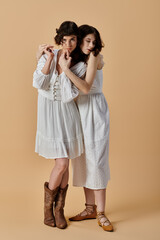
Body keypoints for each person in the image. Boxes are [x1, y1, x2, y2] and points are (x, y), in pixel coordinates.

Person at [37, 24, 113, 232]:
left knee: (96, 160)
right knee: (81, 162)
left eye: (94, 41)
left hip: (94, 112)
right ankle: (89, 208)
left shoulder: (93, 58)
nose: (91, 45)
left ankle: (100, 212)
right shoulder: (75, 57)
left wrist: (66, 69)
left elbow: (86, 88)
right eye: (87, 41)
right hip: (76, 113)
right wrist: (45, 56)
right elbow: (47, 77)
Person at [33, 21, 86, 229]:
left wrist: (65, 69)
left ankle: (58, 210)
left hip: (66, 115)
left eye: (72, 39)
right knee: (62, 164)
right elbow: (40, 83)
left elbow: (68, 95)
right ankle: (49, 209)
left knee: (65, 164)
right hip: (48, 115)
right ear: (59, 40)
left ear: (77, 40)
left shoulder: (80, 65)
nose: (69, 44)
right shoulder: (48, 55)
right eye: (64, 40)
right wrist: (48, 59)